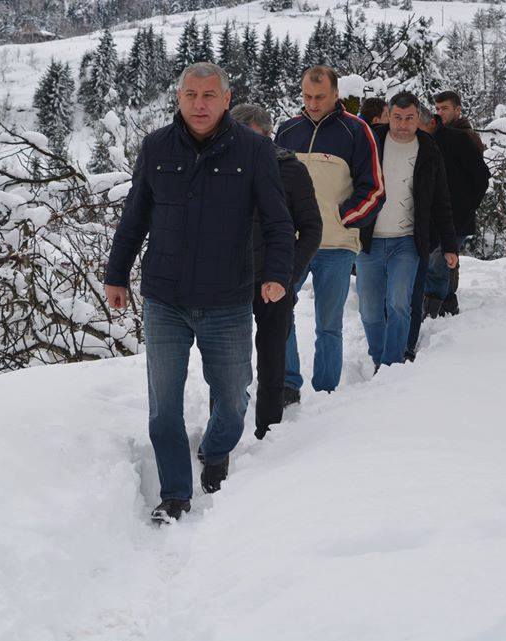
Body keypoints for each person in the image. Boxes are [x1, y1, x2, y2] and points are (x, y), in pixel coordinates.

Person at [103, 63, 295, 525]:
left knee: (232, 398)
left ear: (227, 100)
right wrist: (116, 274)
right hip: (165, 297)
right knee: (163, 404)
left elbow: (277, 220)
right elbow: (135, 217)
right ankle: (174, 494)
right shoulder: (156, 147)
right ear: (179, 97)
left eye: (209, 95)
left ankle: (215, 449)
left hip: (227, 298)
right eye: (191, 95)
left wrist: (276, 274)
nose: (199, 104)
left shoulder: (254, 150)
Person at [275, 65, 385, 405]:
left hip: (336, 245)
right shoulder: (287, 131)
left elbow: (374, 189)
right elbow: (271, 185)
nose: (312, 103)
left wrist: (344, 218)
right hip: (293, 244)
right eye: (307, 96)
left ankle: (325, 391)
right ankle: (287, 383)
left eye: (320, 97)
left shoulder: (356, 131)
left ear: (336, 94)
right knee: (279, 312)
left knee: (328, 324)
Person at [228, 103, 322, 440]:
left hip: (274, 280)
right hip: (228, 280)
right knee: (228, 364)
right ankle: (221, 436)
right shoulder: (219, 166)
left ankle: (268, 435)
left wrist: (287, 275)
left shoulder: (290, 170)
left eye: (252, 137)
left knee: (272, 360)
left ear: (267, 135)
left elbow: (311, 229)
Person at [356, 92, 457, 369]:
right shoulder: (370, 142)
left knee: (399, 304)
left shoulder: (429, 150)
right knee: (370, 310)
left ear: (418, 117)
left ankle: (391, 365)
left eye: (409, 118)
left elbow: (441, 200)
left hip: (407, 242)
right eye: (398, 118)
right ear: (388, 115)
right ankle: (379, 357)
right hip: (369, 240)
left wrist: (449, 245)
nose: (403, 124)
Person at [420, 91, 491, 320]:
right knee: (443, 261)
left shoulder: (464, 137)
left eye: (445, 108)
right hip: (439, 215)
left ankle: (434, 312)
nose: (440, 112)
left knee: (438, 261)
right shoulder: (436, 136)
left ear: (457, 110)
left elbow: (480, 177)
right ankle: (446, 305)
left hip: (457, 215)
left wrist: (467, 207)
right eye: (437, 108)